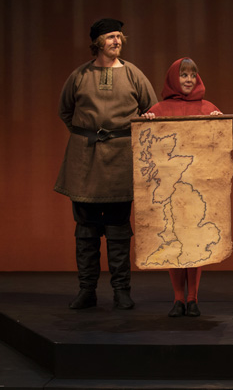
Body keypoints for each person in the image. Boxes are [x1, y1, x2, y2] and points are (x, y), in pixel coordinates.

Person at [55, 18, 157, 310]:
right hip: (85, 159)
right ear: (98, 42)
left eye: (119, 37)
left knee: (118, 229)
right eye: (111, 37)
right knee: (86, 229)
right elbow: (65, 110)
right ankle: (86, 290)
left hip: (121, 159)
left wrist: (143, 122)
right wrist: (88, 134)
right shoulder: (80, 76)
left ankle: (121, 290)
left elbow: (151, 107)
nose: (117, 41)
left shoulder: (133, 73)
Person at [141, 57, 222, 317]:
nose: (188, 80)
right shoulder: (160, 108)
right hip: (170, 189)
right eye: (183, 75)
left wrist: (217, 124)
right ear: (173, 78)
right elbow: (148, 143)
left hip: (196, 189)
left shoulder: (208, 107)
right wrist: (149, 121)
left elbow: (217, 146)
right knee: (174, 239)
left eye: (192, 75)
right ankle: (177, 299)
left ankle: (193, 298)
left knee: (194, 240)